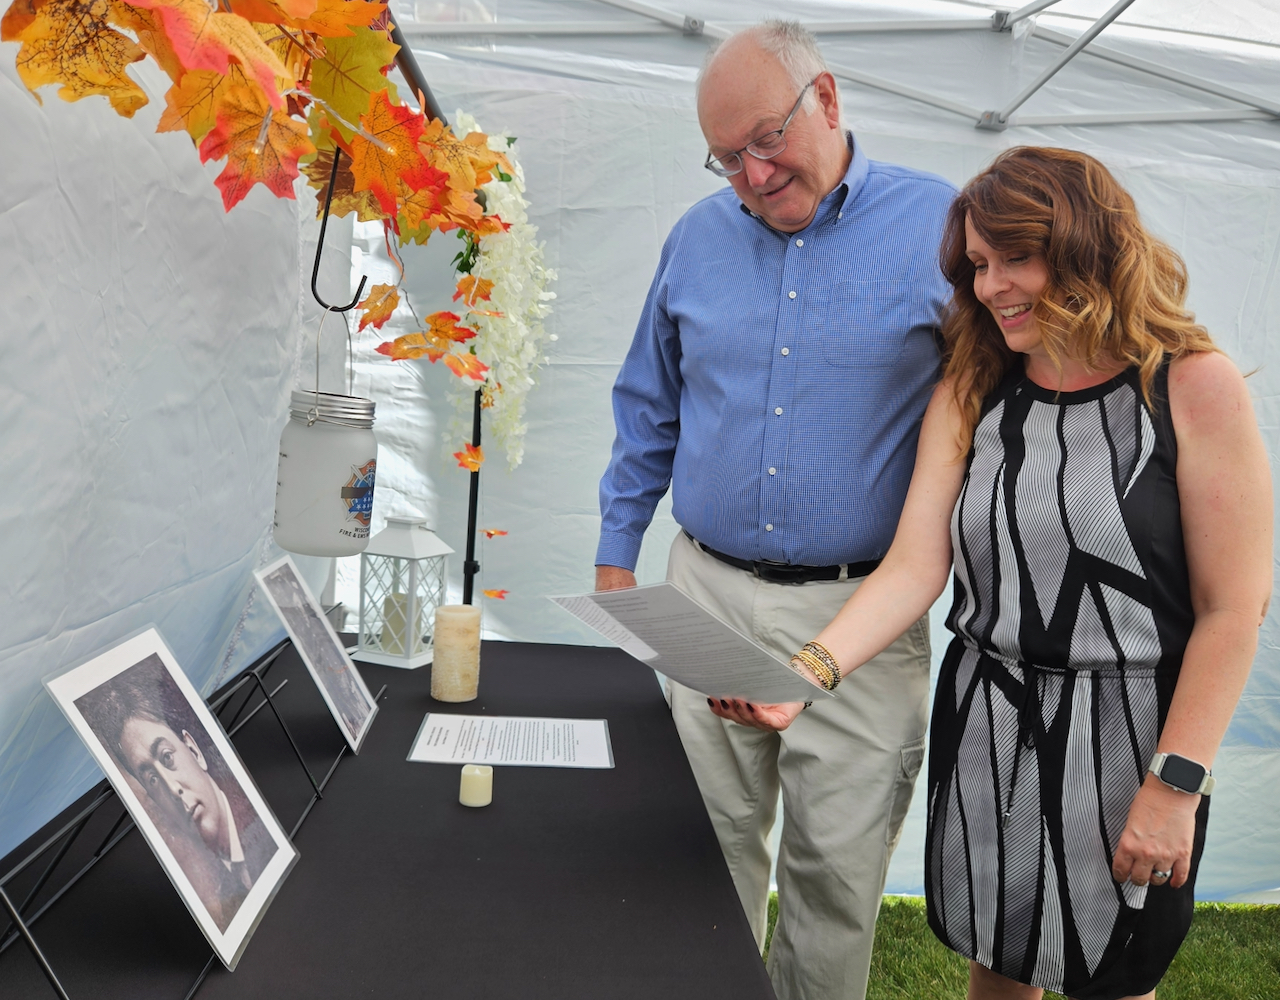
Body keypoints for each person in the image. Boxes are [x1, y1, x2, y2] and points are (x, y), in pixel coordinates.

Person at [714, 146, 1272, 999]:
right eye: (977, 264)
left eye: (1016, 257)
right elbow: (912, 567)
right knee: (1000, 967)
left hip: (1129, 741)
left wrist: (1176, 786)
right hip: (987, 723)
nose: (991, 286)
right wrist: (803, 677)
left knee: (1112, 974)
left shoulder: (1192, 386)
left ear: (1088, 246)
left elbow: (1234, 608)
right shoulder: (974, 385)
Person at [594, 20, 956, 999]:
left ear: (826, 101)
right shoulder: (694, 238)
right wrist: (615, 561)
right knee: (694, 861)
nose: (750, 176)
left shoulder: (946, 232)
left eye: (764, 142)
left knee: (833, 884)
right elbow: (646, 404)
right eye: (725, 159)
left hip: (860, 616)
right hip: (702, 592)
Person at [78, 655, 278, 932]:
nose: (173, 789)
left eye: (168, 757)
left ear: (194, 751)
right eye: (151, 779)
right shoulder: (218, 887)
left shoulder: (264, 841)